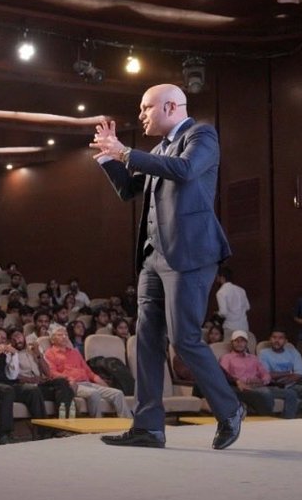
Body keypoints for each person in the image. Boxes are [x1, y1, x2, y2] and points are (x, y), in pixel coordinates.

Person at [91, 82, 243, 449]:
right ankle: (148, 427)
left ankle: (229, 409)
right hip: (153, 257)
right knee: (146, 339)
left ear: (171, 107)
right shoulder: (157, 149)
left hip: (190, 254)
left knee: (184, 338)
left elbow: (186, 170)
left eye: (146, 108)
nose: (141, 115)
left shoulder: (201, 135)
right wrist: (109, 159)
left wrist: (125, 151)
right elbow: (130, 190)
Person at [44, 326, 132, 419]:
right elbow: (52, 373)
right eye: (60, 335)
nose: (64, 337)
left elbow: (90, 373)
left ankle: (129, 425)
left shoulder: (75, 352)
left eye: (66, 334)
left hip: (88, 383)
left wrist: (104, 385)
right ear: (53, 339)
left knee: (117, 394)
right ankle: (98, 424)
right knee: (94, 393)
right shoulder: (50, 353)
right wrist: (68, 379)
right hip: (73, 385)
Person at [218, 331, 298, 418]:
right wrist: (245, 381)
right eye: (236, 341)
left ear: (246, 343)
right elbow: (224, 375)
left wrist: (261, 381)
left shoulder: (253, 358)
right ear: (232, 343)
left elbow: (265, 374)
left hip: (259, 386)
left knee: (291, 393)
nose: (239, 343)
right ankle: (269, 420)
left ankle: (288, 421)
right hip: (242, 387)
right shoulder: (227, 358)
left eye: (242, 341)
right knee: (265, 393)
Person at [259, 328, 302, 418]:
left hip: (294, 383)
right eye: (274, 337)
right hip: (277, 385)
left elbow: (300, 373)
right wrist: (288, 372)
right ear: (270, 339)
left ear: (285, 341)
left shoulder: (293, 352)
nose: (277, 340)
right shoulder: (264, 353)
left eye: (280, 338)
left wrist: (286, 379)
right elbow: (267, 375)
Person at [214, 266, 250, 334]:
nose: (216, 279)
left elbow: (223, 312)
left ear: (222, 277)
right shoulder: (241, 290)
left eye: (217, 277)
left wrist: (217, 313)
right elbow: (247, 307)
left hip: (230, 328)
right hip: (244, 327)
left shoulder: (221, 292)